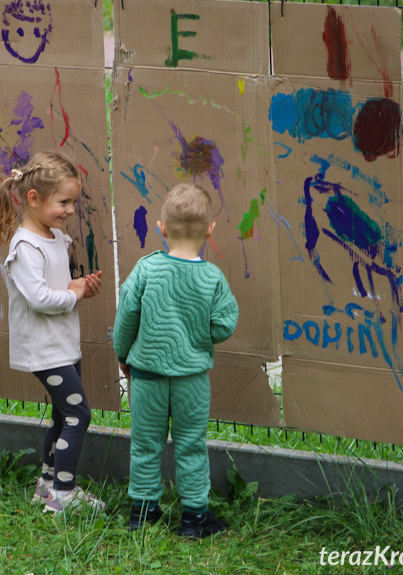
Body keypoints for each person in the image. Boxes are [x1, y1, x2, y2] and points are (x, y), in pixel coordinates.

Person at [112, 183, 239, 538]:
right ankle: (195, 518)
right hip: (192, 379)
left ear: (161, 228)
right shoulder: (212, 277)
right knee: (191, 446)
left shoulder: (146, 270)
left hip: (147, 377)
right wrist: (199, 334)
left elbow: (126, 319)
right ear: (210, 229)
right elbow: (225, 323)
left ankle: (143, 512)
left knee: (146, 444)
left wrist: (124, 356)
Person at [0, 150, 105, 514]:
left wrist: (77, 285)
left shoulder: (53, 236)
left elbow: (54, 287)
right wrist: (72, 293)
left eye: (73, 201)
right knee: (79, 416)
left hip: (60, 345)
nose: (71, 210)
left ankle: (46, 483)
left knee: (62, 416)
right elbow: (40, 298)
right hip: (44, 349)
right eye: (64, 202)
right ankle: (64, 493)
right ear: (33, 198)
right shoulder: (26, 246)